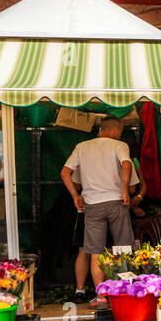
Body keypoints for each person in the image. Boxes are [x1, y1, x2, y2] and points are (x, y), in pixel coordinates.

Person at [61, 117, 135, 305]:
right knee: (123, 248)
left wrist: (75, 196)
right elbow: (126, 164)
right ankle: (125, 292)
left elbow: (65, 172)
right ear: (116, 131)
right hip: (116, 202)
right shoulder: (119, 145)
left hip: (92, 205)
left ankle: (101, 296)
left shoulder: (82, 146)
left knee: (95, 252)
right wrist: (125, 189)